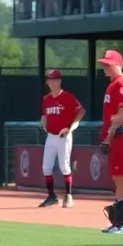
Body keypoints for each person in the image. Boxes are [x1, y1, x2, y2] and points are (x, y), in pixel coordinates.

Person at [97, 49, 123, 233]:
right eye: (104, 63)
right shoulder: (113, 85)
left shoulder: (121, 84)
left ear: (118, 65)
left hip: (121, 135)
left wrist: (109, 135)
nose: (104, 66)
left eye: (108, 63)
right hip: (116, 136)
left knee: (122, 176)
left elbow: (122, 114)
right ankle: (121, 219)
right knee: (117, 177)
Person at [39, 69, 84, 207]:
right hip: (51, 136)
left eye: (53, 79)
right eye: (49, 80)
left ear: (59, 81)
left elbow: (81, 111)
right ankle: (51, 196)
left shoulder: (67, 97)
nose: (51, 82)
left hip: (63, 136)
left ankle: (68, 195)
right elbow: (44, 116)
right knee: (46, 167)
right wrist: (43, 123)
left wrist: (72, 127)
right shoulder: (46, 99)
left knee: (64, 166)